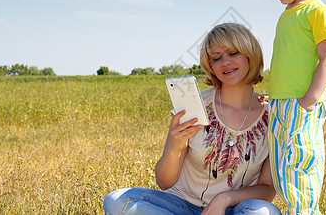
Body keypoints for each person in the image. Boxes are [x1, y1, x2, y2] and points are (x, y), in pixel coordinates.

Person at [103, 23, 281, 215]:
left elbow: (267, 188)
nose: (225, 62)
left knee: (264, 212)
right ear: (210, 65)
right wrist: (174, 146)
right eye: (216, 58)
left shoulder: (273, 116)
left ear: (250, 55)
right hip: (179, 207)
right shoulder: (193, 106)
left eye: (234, 53)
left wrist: (225, 199)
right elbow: (164, 182)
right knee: (116, 201)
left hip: (233, 210)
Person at [253, 0, 326, 215]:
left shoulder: (317, 11)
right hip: (281, 102)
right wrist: (274, 92)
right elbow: (289, 61)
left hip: (301, 104)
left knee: (299, 165)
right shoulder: (287, 13)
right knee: (281, 168)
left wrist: (310, 99)